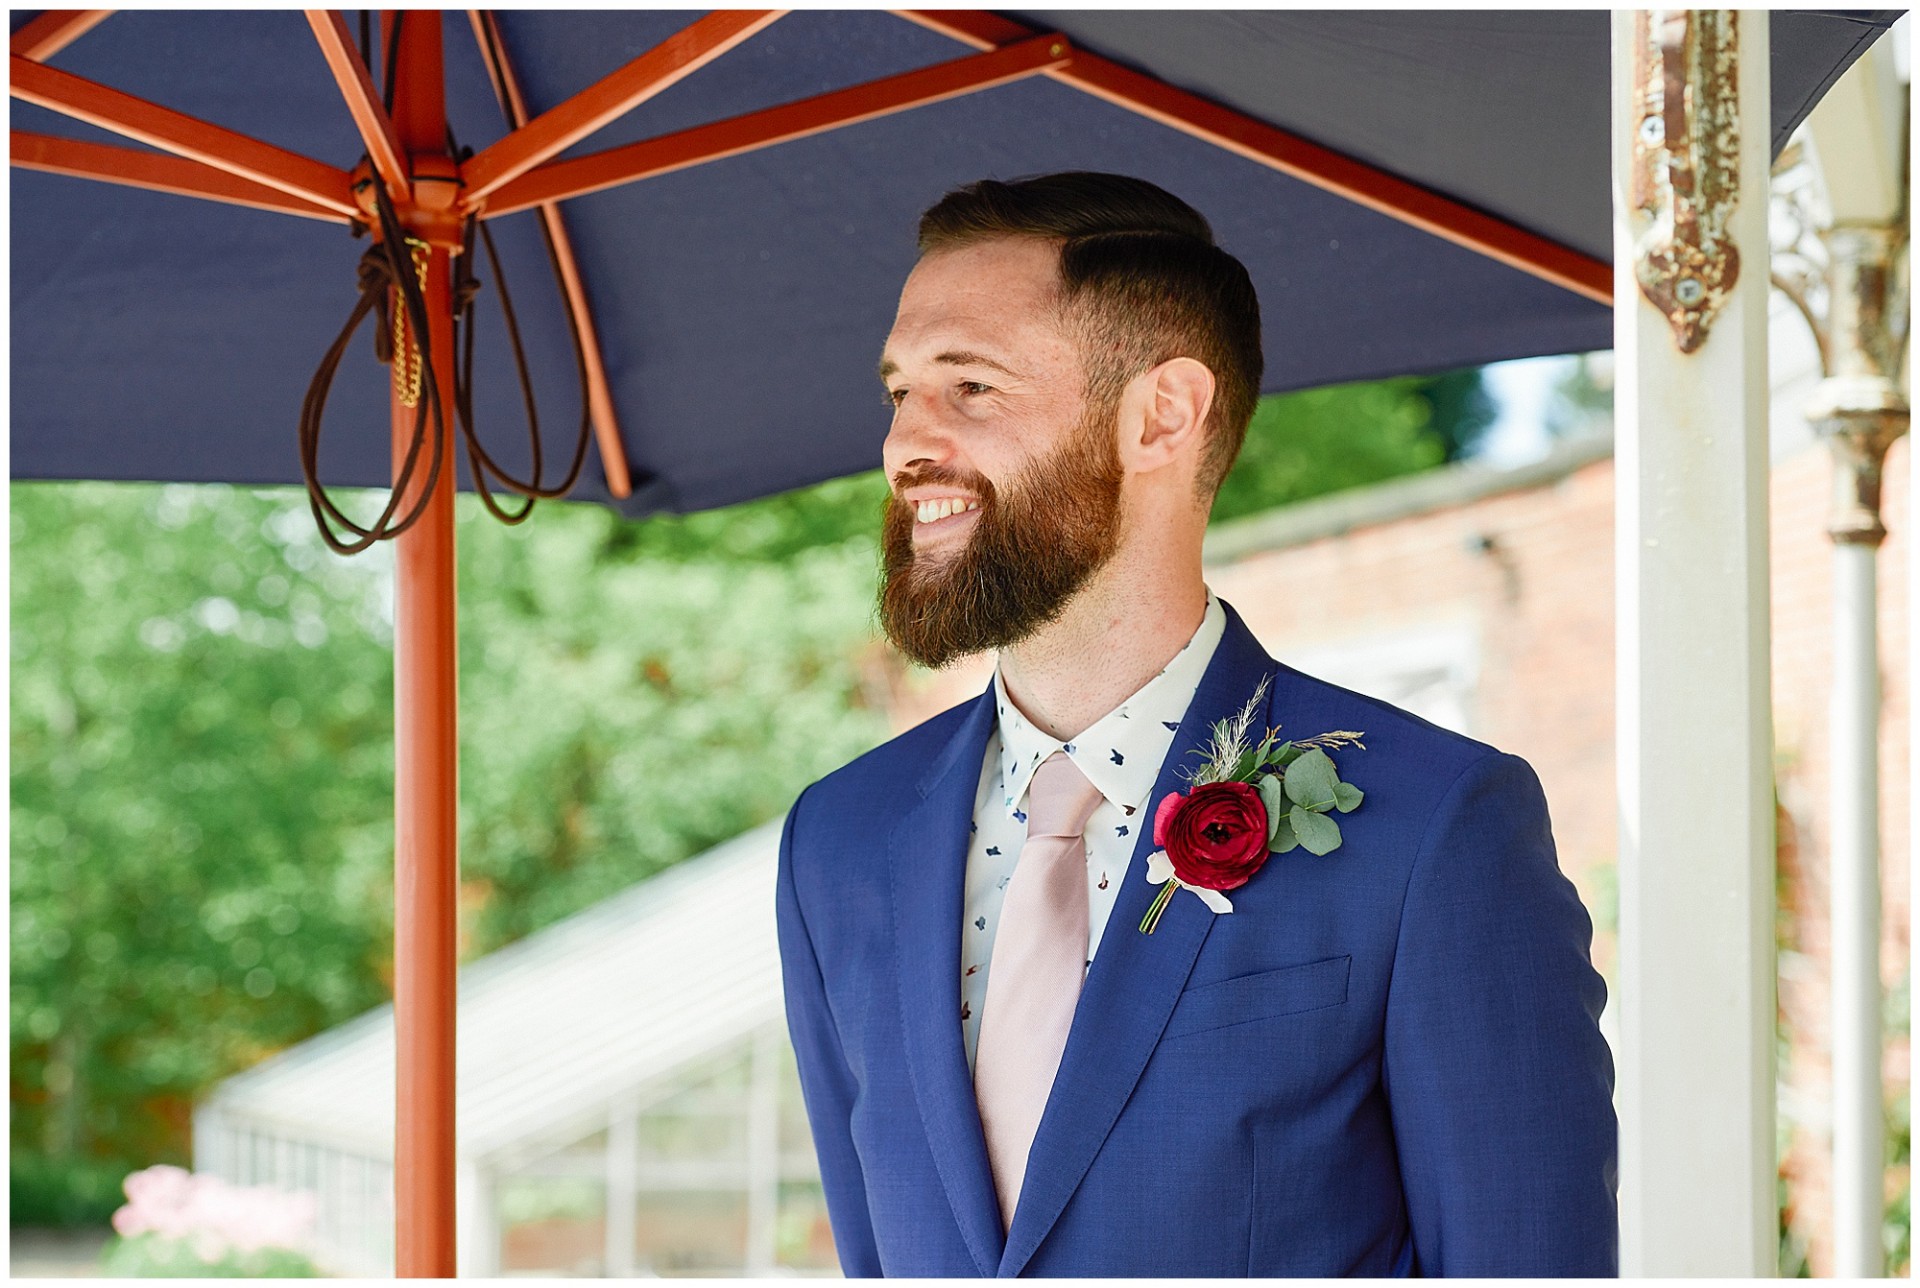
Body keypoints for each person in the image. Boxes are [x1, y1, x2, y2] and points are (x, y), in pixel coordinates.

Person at [774, 171, 1616, 1277]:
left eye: (970, 387)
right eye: (899, 394)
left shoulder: (1437, 830)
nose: (905, 446)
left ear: (1160, 414)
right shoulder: (840, 845)